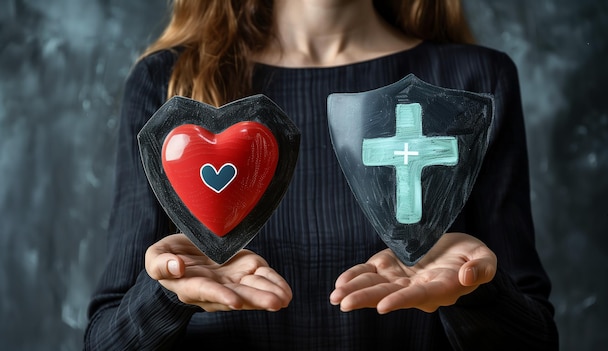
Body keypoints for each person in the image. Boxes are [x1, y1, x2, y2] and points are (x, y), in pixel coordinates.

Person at [84, 0, 559, 349]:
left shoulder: (475, 82)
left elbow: (534, 340)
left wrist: (476, 292)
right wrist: (167, 294)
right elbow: (104, 342)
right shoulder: (168, 84)